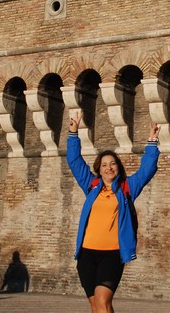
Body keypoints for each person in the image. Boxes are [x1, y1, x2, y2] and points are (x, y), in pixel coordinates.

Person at [67, 111, 160, 313]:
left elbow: (147, 169)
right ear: (99, 169)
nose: (109, 168)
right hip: (86, 255)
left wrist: (152, 141)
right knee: (96, 306)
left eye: (113, 164)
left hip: (112, 255)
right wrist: (73, 133)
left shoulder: (128, 188)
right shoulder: (91, 185)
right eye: (105, 165)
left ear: (118, 167)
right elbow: (74, 161)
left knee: (102, 301)